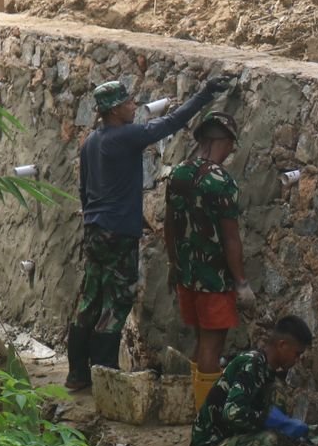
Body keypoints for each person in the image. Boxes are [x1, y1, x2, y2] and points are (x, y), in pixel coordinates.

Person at [66, 76, 229, 392]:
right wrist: (204, 94)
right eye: (128, 103)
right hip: (117, 234)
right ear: (114, 110)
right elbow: (169, 124)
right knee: (117, 301)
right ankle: (105, 375)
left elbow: (86, 191)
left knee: (89, 298)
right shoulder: (124, 137)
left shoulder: (91, 143)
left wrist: (126, 216)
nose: (133, 107)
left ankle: (77, 374)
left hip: (96, 231)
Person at [164, 110, 253, 408]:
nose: (230, 151)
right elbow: (231, 237)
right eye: (231, 144)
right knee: (212, 348)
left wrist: (173, 264)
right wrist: (241, 282)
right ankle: (207, 417)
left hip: (187, 274)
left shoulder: (178, 174)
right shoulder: (221, 181)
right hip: (214, 279)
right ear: (222, 140)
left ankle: (194, 406)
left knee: (200, 342)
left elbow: (170, 225)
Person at [190, 315, 314, 446]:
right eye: (297, 354)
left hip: (229, 444)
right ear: (282, 345)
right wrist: (270, 420)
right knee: (268, 442)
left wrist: (281, 423)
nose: (298, 360)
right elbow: (232, 414)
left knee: (276, 393)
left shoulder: (266, 372)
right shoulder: (252, 364)